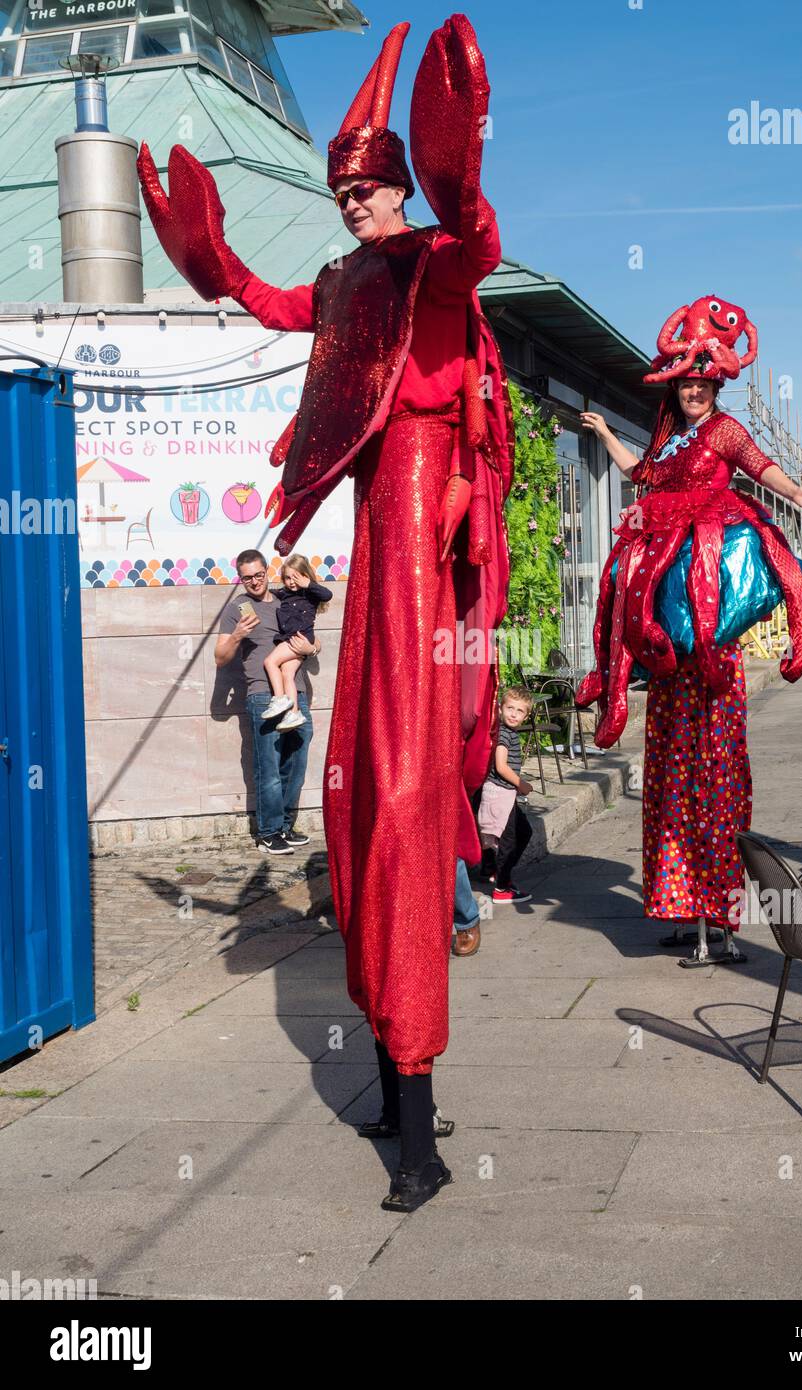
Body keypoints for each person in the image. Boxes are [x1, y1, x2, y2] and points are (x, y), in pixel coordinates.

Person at [140, 16, 511, 1215]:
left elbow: (476, 243)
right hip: (379, 565)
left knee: (401, 793)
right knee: (367, 793)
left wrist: (458, 175)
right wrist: (209, 257)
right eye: (343, 188)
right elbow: (267, 300)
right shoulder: (351, 278)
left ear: (400, 184)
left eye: (370, 185)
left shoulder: (430, 262)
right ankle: (406, 1073)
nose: (354, 203)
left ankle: (414, 1096)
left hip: (422, 567)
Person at [577, 298, 802, 966]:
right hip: (666, 636)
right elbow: (642, 474)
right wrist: (607, 436)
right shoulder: (667, 438)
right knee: (668, 773)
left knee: (715, 774)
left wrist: (798, 493)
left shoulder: (722, 432)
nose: (693, 390)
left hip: (709, 634)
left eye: (702, 382)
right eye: (685, 382)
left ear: (715, 384)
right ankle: (678, 902)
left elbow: (757, 464)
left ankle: (716, 912)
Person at [216, 550, 320, 854]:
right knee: (270, 769)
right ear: (240, 577)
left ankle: (285, 827)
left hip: (296, 694)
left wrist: (311, 648)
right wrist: (236, 636)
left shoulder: (284, 598)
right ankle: (268, 833)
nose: (254, 581)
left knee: (296, 764)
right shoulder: (238, 608)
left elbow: (312, 637)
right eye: (247, 577)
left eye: (259, 575)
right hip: (263, 695)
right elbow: (220, 659)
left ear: (266, 571)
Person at [477, 688, 534, 905]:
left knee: (522, 831)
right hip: (500, 792)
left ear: (525, 716)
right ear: (501, 708)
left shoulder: (510, 733)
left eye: (519, 711)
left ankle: (493, 870)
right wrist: (522, 784)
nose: (513, 714)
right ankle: (502, 887)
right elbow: (501, 766)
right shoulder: (503, 733)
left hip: (506, 793)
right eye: (510, 708)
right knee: (508, 840)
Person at [262, 555, 333, 730]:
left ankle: (279, 699)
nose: (291, 582)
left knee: (270, 662)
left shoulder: (310, 593)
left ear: (304, 575)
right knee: (287, 673)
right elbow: (267, 593)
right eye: (287, 578)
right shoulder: (284, 593)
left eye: (295, 577)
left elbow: (327, 594)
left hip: (298, 638)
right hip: (293, 640)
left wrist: (307, 584)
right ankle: (293, 713)